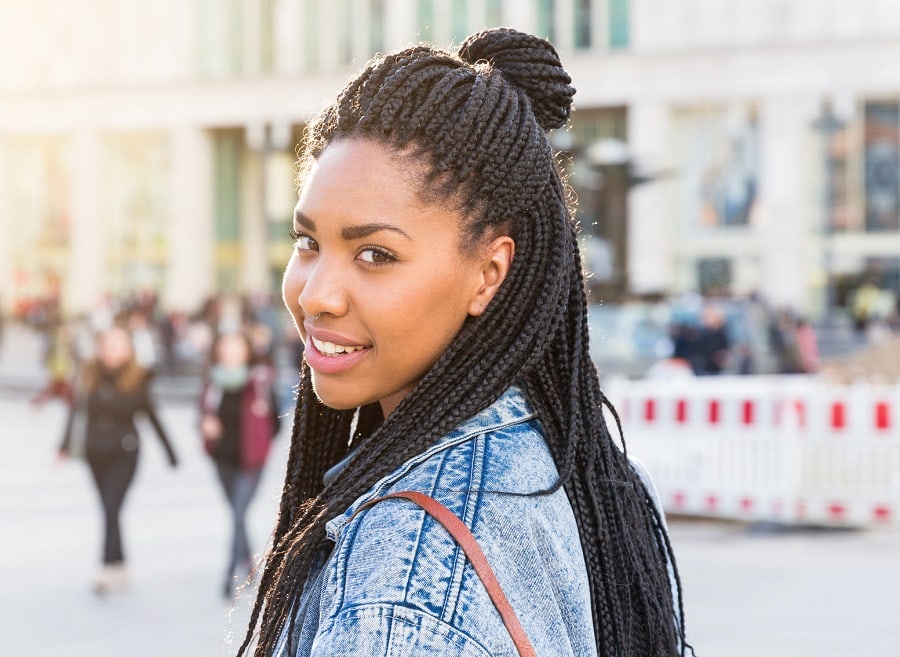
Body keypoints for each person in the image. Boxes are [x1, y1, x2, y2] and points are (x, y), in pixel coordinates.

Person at [239, 29, 689, 657]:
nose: (317, 294)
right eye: (308, 242)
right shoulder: (586, 472)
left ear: (489, 273)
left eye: (375, 254)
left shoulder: (401, 583)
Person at [58, 324, 178, 594]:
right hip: (94, 453)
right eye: (108, 344)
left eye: (118, 344)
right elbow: (75, 412)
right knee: (110, 509)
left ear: (128, 350)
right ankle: (122, 561)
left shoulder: (137, 379)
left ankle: (105, 567)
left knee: (111, 508)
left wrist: (171, 453)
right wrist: (63, 446)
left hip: (125, 454)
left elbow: (152, 417)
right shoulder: (89, 375)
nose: (112, 350)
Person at [200, 331, 281, 598]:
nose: (231, 354)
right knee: (238, 514)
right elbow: (203, 414)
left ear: (247, 351)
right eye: (226, 349)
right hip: (223, 459)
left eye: (236, 349)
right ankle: (248, 563)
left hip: (251, 461)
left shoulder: (259, 382)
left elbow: (276, 422)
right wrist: (207, 427)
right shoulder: (214, 383)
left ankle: (228, 575)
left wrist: (259, 440)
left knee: (236, 514)